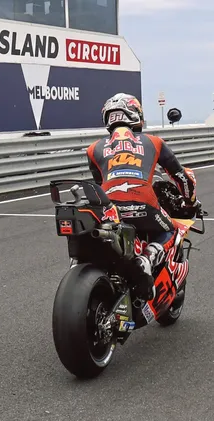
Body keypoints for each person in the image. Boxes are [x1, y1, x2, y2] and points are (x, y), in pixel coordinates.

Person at [85, 93, 199, 301]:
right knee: (171, 229)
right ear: (135, 115)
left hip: (110, 210)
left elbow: (99, 184)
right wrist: (190, 201)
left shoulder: (93, 149)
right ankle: (147, 258)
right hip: (144, 204)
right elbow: (181, 177)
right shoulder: (154, 142)